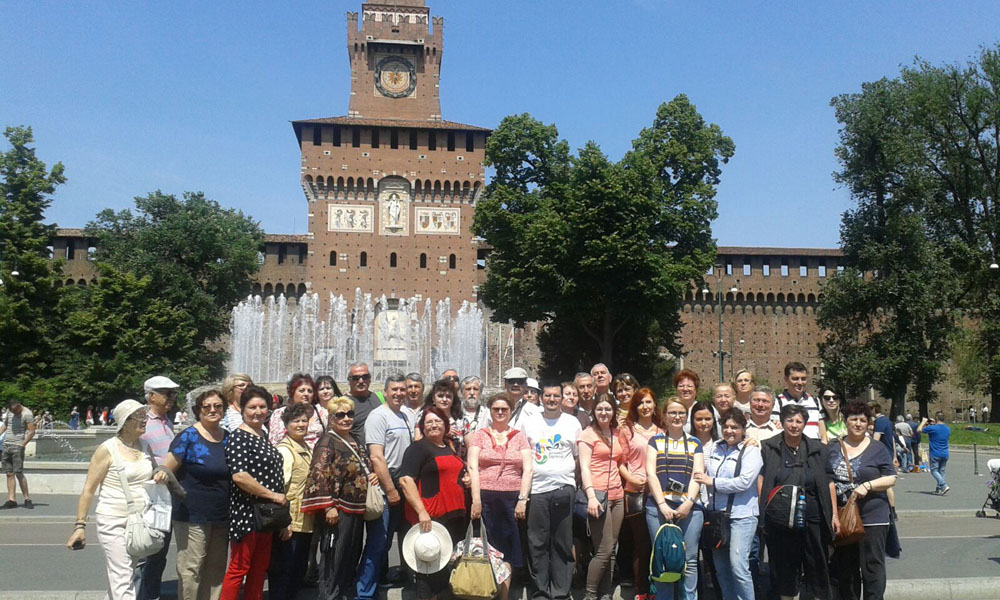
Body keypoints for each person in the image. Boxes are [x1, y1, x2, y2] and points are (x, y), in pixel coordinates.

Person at [66, 399, 161, 600]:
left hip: (139, 521)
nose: (145, 420)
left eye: (145, 416)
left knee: (122, 576)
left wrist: (160, 475)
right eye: (139, 417)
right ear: (125, 422)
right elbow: (89, 490)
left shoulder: (145, 446)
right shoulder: (107, 449)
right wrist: (80, 526)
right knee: (123, 576)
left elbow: (153, 474)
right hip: (112, 519)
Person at [153, 389, 230, 600]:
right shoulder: (188, 436)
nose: (213, 410)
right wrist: (160, 474)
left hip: (221, 514)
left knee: (215, 569)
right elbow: (167, 467)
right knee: (191, 568)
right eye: (207, 407)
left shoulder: (227, 438)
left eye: (218, 406)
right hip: (192, 513)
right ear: (199, 411)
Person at [759, 404, 839, 600]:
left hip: (813, 515)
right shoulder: (769, 447)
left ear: (804, 424)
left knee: (816, 563)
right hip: (780, 518)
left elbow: (829, 483)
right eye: (790, 420)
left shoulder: (817, 449)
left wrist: (834, 514)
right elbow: (761, 479)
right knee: (784, 564)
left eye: (798, 421)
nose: (794, 425)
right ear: (783, 422)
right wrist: (765, 510)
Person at [303, 395, 379, 600]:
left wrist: (371, 474)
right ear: (331, 418)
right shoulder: (327, 441)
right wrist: (328, 507)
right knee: (333, 558)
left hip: (355, 508)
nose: (346, 418)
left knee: (349, 556)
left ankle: (343, 594)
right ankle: (329, 596)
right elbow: (319, 474)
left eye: (350, 414)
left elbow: (360, 468)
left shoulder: (353, 439)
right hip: (337, 510)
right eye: (340, 415)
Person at [221, 385, 286, 600]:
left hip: (267, 515)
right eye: (252, 407)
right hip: (247, 514)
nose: (258, 411)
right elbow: (240, 476)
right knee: (239, 569)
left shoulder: (262, 434)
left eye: (262, 406)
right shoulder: (239, 437)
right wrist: (273, 495)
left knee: (259, 569)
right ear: (242, 409)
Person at [827, 401, 897, 600]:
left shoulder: (878, 448)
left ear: (868, 423)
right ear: (845, 421)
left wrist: (868, 486)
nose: (858, 424)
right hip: (843, 516)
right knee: (846, 569)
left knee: (872, 567)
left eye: (863, 420)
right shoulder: (833, 447)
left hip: (873, 515)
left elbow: (891, 477)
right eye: (853, 419)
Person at [399, 407, 469, 600]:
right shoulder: (417, 448)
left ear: (446, 425)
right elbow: (406, 481)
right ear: (422, 427)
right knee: (429, 568)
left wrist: (467, 479)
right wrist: (421, 512)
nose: (434, 425)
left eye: (438, 421)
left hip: (454, 515)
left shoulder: (449, 445)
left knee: (446, 566)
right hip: (431, 516)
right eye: (429, 422)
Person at [519, 383, 582, 600]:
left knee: (562, 542)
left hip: (564, 489)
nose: (552, 399)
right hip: (537, 491)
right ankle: (541, 592)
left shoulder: (571, 422)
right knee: (537, 542)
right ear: (541, 398)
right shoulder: (529, 422)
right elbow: (524, 455)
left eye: (556, 396)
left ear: (561, 398)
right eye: (548, 396)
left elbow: (577, 457)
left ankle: (561, 592)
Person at [693, 411, 762, 600]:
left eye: (735, 427)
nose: (729, 431)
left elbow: (745, 482)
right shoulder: (715, 447)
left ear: (742, 429)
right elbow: (700, 472)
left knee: (738, 566)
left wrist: (713, 482)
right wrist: (706, 501)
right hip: (717, 516)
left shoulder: (751, 450)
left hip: (742, 515)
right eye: (726, 427)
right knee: (721, 568)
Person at [358, 373, 412, 600]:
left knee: (399, 538)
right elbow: (377, 457)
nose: (399, 393)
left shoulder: (408, 414)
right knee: (378, 542)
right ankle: (363, 593)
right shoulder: (378, 416)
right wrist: (389, 490)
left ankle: (382, 582)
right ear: (386, 392)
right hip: (386, 485)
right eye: (394, 390)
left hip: (404, 483)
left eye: (402, 389)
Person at [645, 397, 703, 600]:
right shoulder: (655, 441)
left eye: (681, 413)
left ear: (686, 416)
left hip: (689, 508)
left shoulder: (695, 443)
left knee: (690, 560)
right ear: (664, 416)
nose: (677, 416)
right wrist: (661, 504)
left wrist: (688, 503)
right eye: (672, 413)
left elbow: (698, 475)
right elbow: (650, 474)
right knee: (663, 557)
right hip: (659, 507)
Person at [468, 393, 532, 575]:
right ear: (490, 411)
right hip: (487, 498)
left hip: (512, 499)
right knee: (488, 547)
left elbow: (528, 469)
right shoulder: (480, 435)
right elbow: (473, 467)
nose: (500, 412)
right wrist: (476, 500)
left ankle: (504, 593)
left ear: (511, 411)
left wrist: (522, 499)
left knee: (509, 549)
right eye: (496, 409)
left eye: (505, 409)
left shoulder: (519, 436)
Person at [579, 395, 625, 600]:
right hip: (597, 495)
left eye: (608, 409)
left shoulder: (616, 433)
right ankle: (590, 595)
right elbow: (584, 468)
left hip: (617, 496)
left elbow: (619, 463)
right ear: (594, 412)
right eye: (600, 409)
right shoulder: (587, 435)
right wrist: (590, 496)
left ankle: (605, 594)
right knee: (603, 550)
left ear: (613, 411)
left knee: (612, 550)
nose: (604, 413)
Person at [617, 388, 662, 600]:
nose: (645, 406)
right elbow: (621, 462)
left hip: (657, 493)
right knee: (642, 544)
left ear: (654, 405)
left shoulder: (662, 431)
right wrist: (633, 480)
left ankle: (658, 587)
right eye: (641, 403)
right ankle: (641, 590)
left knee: (657, 542)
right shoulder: (627, 430)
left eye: (648, 402)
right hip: (634, 492)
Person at [268, 403, 316, 600]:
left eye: (304, 420)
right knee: (284, 574)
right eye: (296, 421)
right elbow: (279, 490)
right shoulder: (285, 451)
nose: (301, 424)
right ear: (286, 424)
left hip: (304, 520)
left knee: (297, 571)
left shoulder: (305, 447)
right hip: (290, 523)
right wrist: (284, 523)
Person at [138, 375, 180, 600]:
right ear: (151, 396)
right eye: (166, 393)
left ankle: (150, 593)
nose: (171, 398)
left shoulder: (166, 421)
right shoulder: (141, 421)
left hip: (166, 494)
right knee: (149, 549)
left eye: (172, 394)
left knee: (159, 550)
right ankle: (142, 594)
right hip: (151, 495)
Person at [269, 373, 327, 448]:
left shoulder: (322, 413)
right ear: (292, 392)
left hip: (315, 457)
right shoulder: (279, 414)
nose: (306, 394)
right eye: (302, 390)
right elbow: (274, 441)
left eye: (310, 391)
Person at [771, 361, 823, 440]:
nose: (800, 382)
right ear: (786, 379)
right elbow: (776, 428)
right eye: (795, 379)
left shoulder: (815, 401)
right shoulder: (777, 402)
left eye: (803, 379)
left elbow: (822, 430)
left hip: (814, 448)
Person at [1, 398, 36, 509]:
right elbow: (5, 425)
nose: (14, 413)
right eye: (12, 411)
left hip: (18, 445)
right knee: (9, 473)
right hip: (7, 445)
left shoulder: (27, 414)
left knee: (19, 473)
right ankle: (12, 499)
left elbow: (31, 431)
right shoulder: (9, 411)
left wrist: (23, 444)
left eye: (16, 411)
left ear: (19, 406)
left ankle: (27, 498)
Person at [346, 362, 384, 444]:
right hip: (357, 454)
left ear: (370, 379)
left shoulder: (376, 396)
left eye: (365, 377)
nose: (361, 381)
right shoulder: (344, 402)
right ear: (349, 380)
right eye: (356, 378)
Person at [918, 413, 951, 495]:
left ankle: (944, 485)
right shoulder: (947, 429)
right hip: (945, 453)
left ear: (936, 419)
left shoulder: (933, 428)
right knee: (942, 471)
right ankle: (939, 489)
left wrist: (923, 422)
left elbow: (919, 430)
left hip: (935, 453)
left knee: (934, 471)